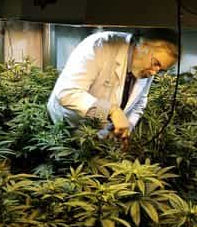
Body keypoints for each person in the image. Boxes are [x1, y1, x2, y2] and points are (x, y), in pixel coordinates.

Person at [47, 29, 178, 145]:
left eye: (160, 70)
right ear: (142, 46)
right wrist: (112, 110)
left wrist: (126, 128)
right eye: (156, 64)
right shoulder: (100, 45)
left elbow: (140, 102)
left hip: (99, 137)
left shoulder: (146, 67)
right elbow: (67, 93)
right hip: (65, 128)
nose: (154, 72)